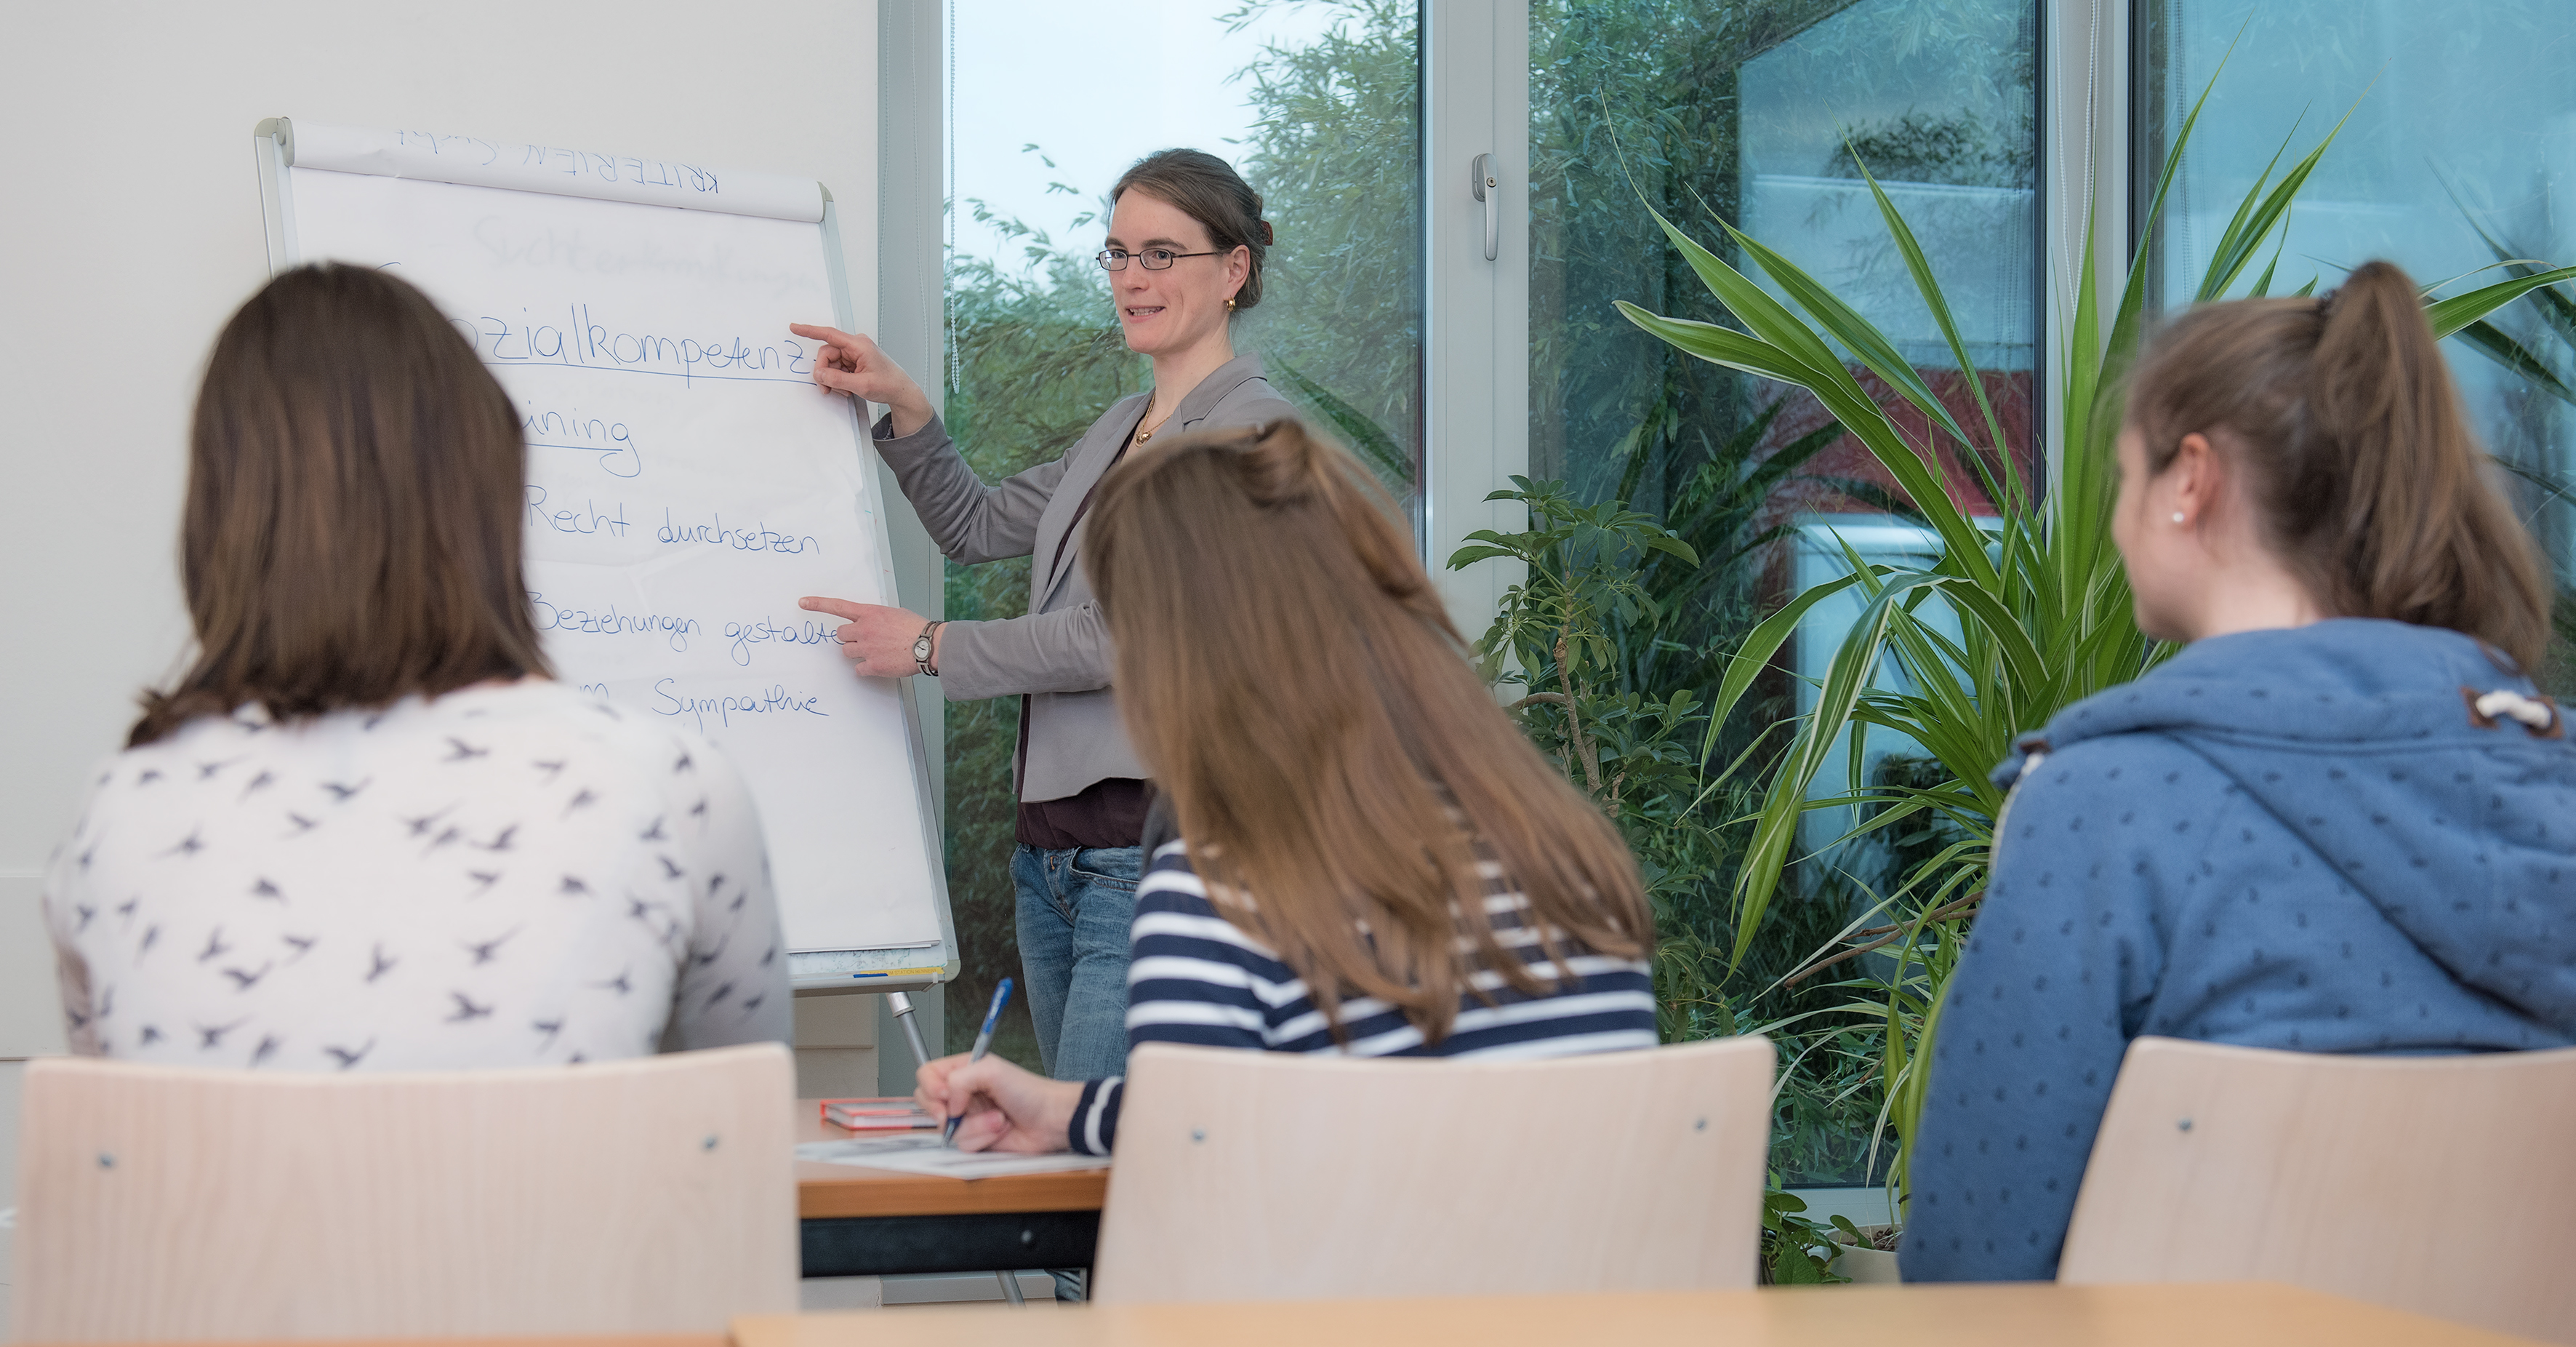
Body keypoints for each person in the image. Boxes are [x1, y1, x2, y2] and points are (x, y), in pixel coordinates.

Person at [1901, 261, 2576, 1282]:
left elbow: (1971, 1263)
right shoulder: (2553, 783)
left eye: (2124, 477)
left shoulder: (2100, 813)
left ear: (2191, 481)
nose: (2117, 513)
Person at [41, 263, 790, 1071]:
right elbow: (735, 1121)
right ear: (488, 490)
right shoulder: (670, 783)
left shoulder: (123, 814)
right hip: (559, 1201)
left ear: (224, 516)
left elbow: (128, 1148)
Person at [909, 419, 1663, 1156]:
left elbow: (1193, 1182)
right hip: (1548, 1278)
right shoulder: (1568, 859)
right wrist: (1069, 1110)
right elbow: (1275, 1110)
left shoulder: (1220, 889)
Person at [788, 149, 1294, 1083]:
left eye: (1161, 254)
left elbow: (1127, 635)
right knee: (1075, 1158)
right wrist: (904, 404)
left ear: (1234, 270)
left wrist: (933, 647)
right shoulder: (1120, 429)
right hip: (1055, 859)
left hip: (1150, 852)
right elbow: (976, 525)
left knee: (1098, 1161)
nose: (1133, 279)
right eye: (1117, 254)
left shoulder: (1245, 435)